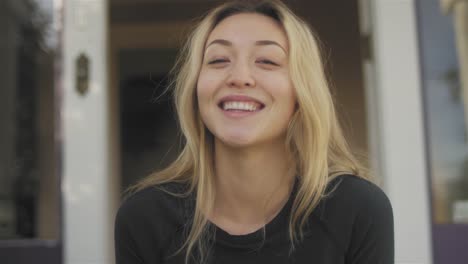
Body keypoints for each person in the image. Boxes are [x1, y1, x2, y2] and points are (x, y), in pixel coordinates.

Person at [114, 1, 394, 263]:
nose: (239, 77)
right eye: (219, 60)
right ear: (196, 90)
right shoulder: (144, 219)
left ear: (301, 94)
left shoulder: (357, 210)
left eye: (267, 61)